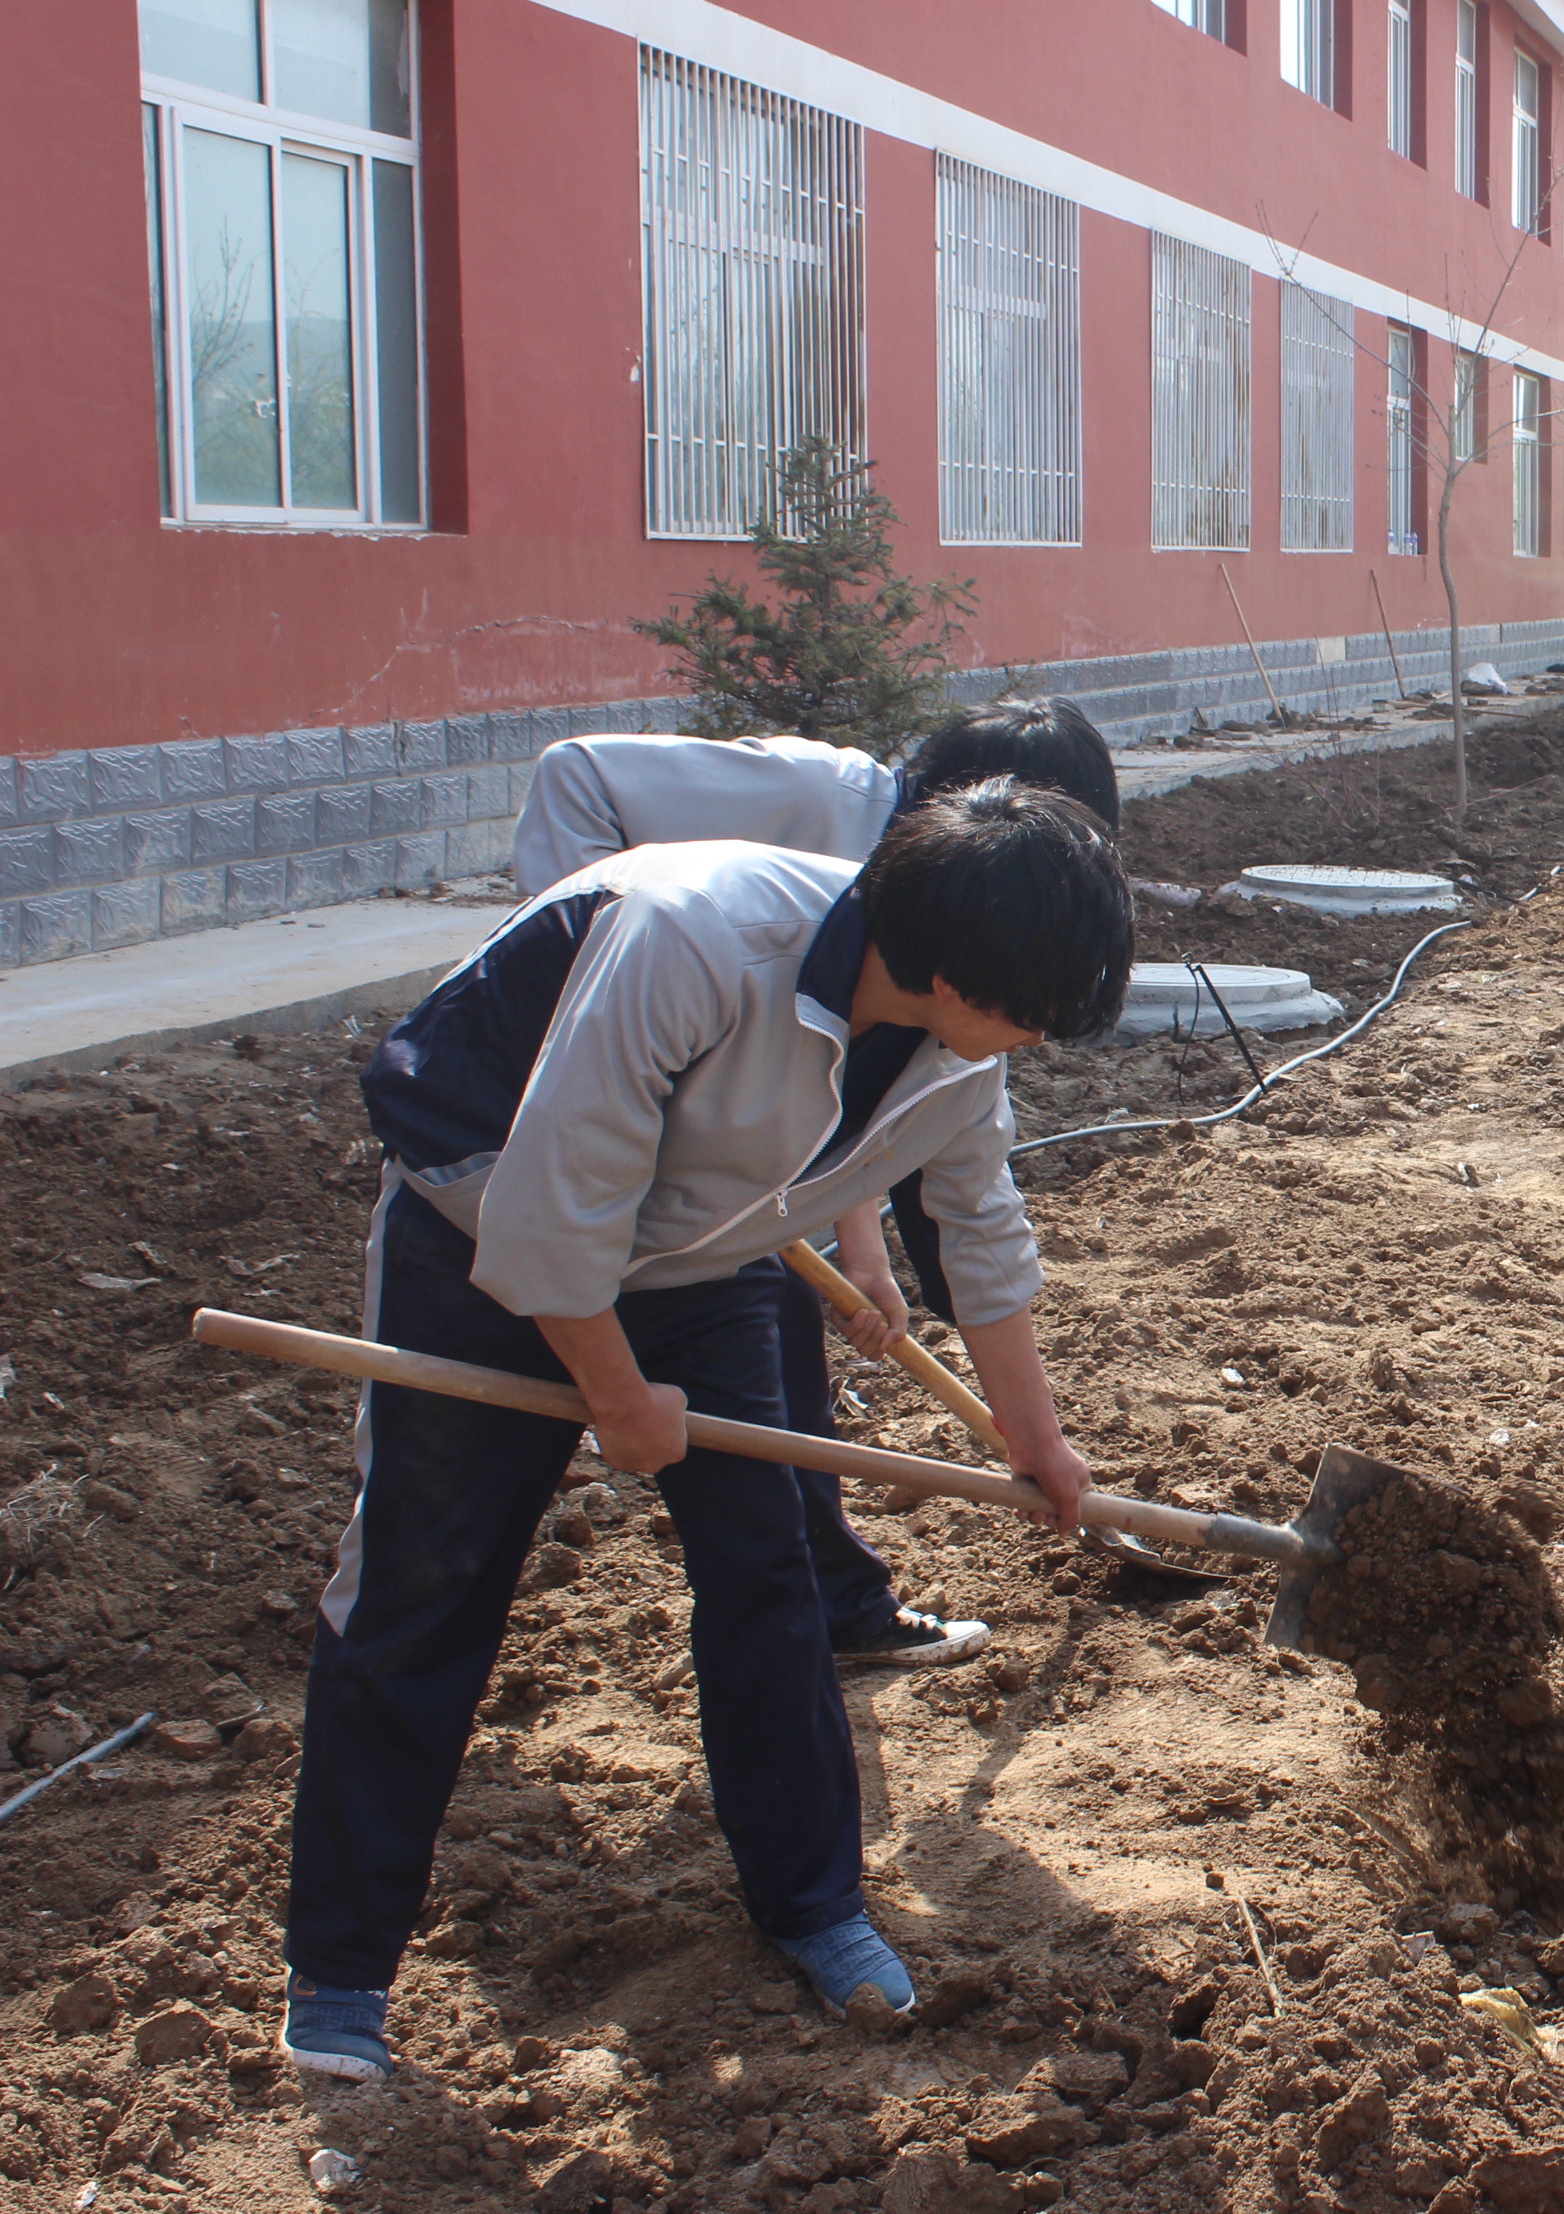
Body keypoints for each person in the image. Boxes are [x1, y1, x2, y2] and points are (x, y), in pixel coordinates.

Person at [284, 782, 1134, 2080]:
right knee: (426, 1578)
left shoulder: (959, 1057)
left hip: (699, 1258)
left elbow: (978, 1230)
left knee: (769, 1573)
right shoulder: (695, 940)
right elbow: (555, 1201)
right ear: (954, 967)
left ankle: (817, 1906)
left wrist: (1038, 1438)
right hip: (481, 1224)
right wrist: (618, 1402)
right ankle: (338, 1976)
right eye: (1028, 1009)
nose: (1030, 1039)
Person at [508, 701, 1126, 1670]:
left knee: (770, 1356)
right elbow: (574, 773)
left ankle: (830, 1603)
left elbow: (873, 1117)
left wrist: (863, 1249)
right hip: (633, 1069)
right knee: (742, 1342)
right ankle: (822, 1600)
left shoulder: (963, 983)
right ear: (964, 811)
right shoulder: (813, 811)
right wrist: (576, 988)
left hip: (747, 1145)